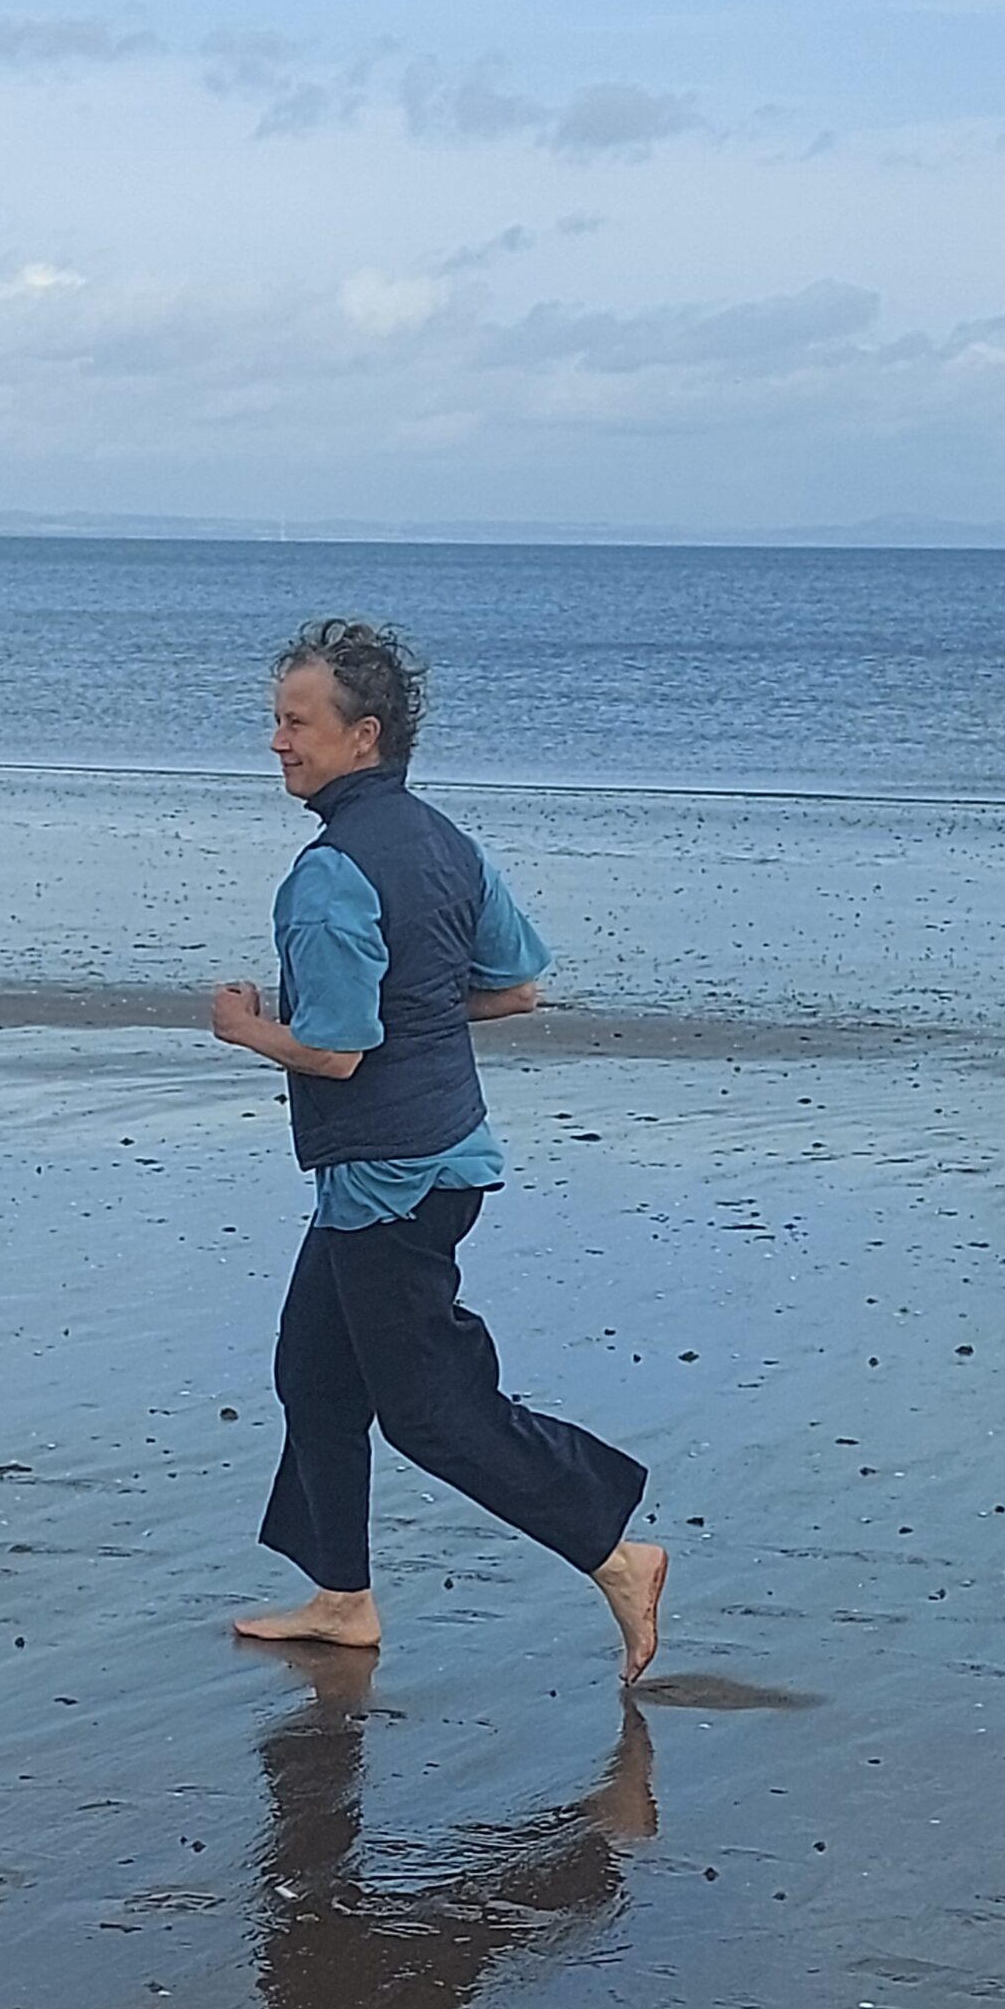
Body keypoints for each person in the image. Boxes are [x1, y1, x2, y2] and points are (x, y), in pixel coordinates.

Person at [209, 618, 666, 1681]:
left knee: (431, 1410)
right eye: (275, 721)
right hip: (438, 1154)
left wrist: (245, 1028)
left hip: (387, 1173)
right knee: (314, 1372)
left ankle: (615, 1552)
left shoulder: (329, 873)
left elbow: (332, 1051)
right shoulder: (445, 840)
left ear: (363, 735)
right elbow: (514, 985)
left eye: (296, 724)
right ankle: (341, 1597)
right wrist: (412, 1008)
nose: (277, 742)